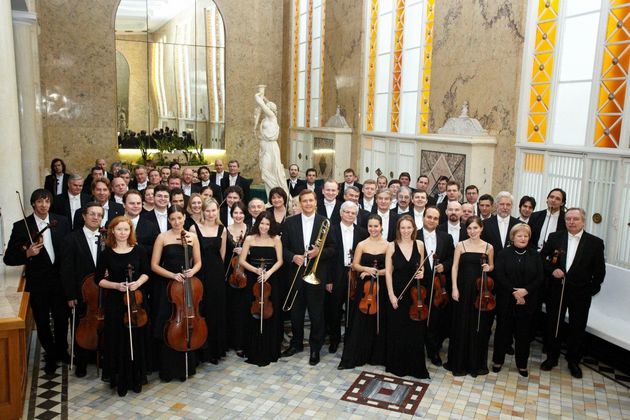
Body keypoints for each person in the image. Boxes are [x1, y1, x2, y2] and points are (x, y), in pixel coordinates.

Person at [4, 189, 71, 374]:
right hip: (38, 283)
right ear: (33, 204)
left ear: (50, 203)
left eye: (47, 201)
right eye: (40, 202)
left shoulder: (61, 221)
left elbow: (69, 250)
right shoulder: (21, 226)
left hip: (59, 281)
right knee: (41, 321)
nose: (43, 205)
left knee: (61, 318)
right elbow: (8, 258)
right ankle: (50, 354)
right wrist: (27, 253)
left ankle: (62, 350)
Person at [540, 208, 605, 378]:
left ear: (583, 221)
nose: (571, 222)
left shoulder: (595, 243)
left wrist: (589, 291)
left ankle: (573, 361)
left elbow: (599, 272)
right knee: (554, 324)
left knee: (577, 327)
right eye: (568, 219)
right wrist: (552, 270)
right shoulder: (555, 237)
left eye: (575, 219)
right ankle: (552, 357)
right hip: (557, 290)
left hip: (581, 294)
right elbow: (542, 259)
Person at [95, 216, 150, 396]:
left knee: (136, 339)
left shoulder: (139, 250)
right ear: (112, 231)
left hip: (136, 300)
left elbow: (146, 272)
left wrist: (137, 283)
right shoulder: (106, 253)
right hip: (116, 302)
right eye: (119, 229)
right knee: (117, 339)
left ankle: (136, 378)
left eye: (126, 229)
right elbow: (98, 279)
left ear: (130, 231)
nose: (123, 233)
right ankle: (120, 380)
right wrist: (116, 286)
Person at [280, 189, 337, 366]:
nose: (308, 204)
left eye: (311, 200)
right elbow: (282, 248)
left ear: (316, 202)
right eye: (304, 201)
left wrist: (319, 252)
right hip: (295, 274)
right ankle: (296, 344)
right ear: (300, 203)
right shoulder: (290, 222)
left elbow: (333, 248)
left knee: (316, 313)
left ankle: (315, 348)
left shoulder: (324, 222)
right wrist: (292, 257)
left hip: (316, 274)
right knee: (296, 313)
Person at [150, 205, 203, 382]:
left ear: (184, 218)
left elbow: (198, 262)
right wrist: (173, 275)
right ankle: (168, 369)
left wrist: (192, 271)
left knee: (187, 321)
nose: (176, 222)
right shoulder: (162, 237)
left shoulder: (192, 237)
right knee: (169, 324)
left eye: (179, 218)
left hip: (186, 285)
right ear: (168, 220)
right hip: (168, 287)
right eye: (172, 219)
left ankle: (186, 367)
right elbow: (154, 265)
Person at [445, 216, 494, 377]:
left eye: (475, 228)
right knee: (461, 324)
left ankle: (475, 363)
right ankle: (458, 363)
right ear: (466, 230)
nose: (472, 231)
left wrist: (488, 267)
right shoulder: (461, 245)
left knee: (477, 326)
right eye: (469, 228)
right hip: (462, 289)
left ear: (481, 229)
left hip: (480, 291)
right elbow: (454, 267)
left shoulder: (488, 247)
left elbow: (492, 266)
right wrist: (454, 288)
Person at [492, 223, 542, 377]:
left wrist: (525, 291)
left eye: (526, 236)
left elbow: (540, 277)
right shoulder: (503, 254)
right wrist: (515, 292)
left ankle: (522, 364)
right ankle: (498, 361)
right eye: (519, 235)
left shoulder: (535, 255)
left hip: (527, 301)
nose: (523, 238)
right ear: (512, 237)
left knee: (524, 334)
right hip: (506, 299)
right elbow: (499, 275)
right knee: (502, 332)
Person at [60, 202, 104, 378]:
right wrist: (70, 294)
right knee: (80, 326)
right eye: (92, 214)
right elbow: (66, 269)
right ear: (84, 216)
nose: (95, 217)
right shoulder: (71, 239)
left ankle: (101, 356)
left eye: (99, 215)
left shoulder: (107, 238)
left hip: (103, 291)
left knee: (102, 325)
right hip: (82, 292)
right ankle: (82, 362)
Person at [338, 214, 387, 370]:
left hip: (380, 288)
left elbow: (390, 269)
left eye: (376, 226)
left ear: (381, 226)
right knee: (359, 321)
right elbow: (355, 265)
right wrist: (365, 269)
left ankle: (376, 356)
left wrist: (375, 272)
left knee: (377, 321)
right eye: (370, 226)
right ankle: (356, 355)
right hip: (363, 289)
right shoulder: (362, 244)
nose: (373, 229)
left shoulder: (388, 245)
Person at [385, 215, 430, 379]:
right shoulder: (391, 246)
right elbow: (388, 273)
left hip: (415, 294)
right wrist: (391, 295)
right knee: (398, 329)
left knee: (415, 330)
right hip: (398, 292)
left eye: (409, 227)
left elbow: (422, 267)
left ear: (413, 229)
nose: (405, 231)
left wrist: (422, 272)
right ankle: (398, 366)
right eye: (402, 227)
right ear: (398, 229)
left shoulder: (420, 244)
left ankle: (415, 366)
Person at [239, 213, 284, 366]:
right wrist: (256, 270)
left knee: (271, 312)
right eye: (262, 223)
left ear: (271, 225)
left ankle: (270, 349)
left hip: (271, 279)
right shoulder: (249, 239)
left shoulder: (276, 239)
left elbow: (280, 261)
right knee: (253, 312)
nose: (264, 227)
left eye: (267, 224)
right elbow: (242, 260)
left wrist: (268, 273)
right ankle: (253, 349)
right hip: (254, 279)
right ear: (257, 223)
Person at [326, 201, 369, 354]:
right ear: (341, 213)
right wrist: (328, 280)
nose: (350, 215)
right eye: (347, 212)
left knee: (353, 309)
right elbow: (328, 258)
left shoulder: (362, 232)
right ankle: (334, 339)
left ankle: (351, 339)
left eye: (353, 213)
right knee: (334, 310)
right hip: (336, 275)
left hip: (355, 276)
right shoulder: (332, 230)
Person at [189, 198, 228, 364]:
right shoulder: (194, 228)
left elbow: (222, 255)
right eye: (207, 211)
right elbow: (192, 257)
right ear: (202, 211)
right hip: (200, 275)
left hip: (217, 276)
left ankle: (215, 350)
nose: (211, 214)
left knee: (216, 311)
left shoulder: (222, 229)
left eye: (214, 210)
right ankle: (201, 351)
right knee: (202, 310)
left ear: (217, 211)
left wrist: (219, 275)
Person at [416, 206, 455, 366]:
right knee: (418, 319)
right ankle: (417, 350)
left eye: (435, 218)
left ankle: (433, 351)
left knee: (435, 320)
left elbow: (452, 258)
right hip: (418, 286)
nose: (431, 220)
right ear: (423, 217)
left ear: (439, 221)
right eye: (429, 217)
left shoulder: (446, 237)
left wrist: (444, 266)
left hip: (438, 287)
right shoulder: (413, 235)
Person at [225, 201, 250, 356]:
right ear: (231, 214)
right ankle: (231, 342)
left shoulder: (250, 229)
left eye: (241, 213)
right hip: (231, 275)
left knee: (244, 310)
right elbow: (222, 254)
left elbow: (255, 250)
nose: (238, 215)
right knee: (231, 309)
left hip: (246, 275)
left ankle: (242, 342)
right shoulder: (225, 230)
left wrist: (246, 252)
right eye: (235, 212)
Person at [255, 90, 289, 198]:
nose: (267, 109)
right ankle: (271, 197)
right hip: (264, 147)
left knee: (267, 173)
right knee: (265, 172)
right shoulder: (265, 119)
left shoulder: (272, 117)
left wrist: (258, 98)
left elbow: (262, 105)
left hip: (271, 148)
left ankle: (279, 194)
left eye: (268, 108)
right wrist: (263, 96)